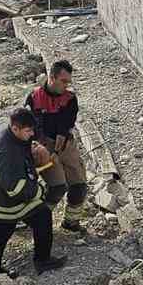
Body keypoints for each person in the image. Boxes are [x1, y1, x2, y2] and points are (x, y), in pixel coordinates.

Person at [0, 107, 66, 275]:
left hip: (3, 196)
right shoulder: (9, 154)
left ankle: (43, 260)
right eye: (28, 131)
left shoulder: (4, 127)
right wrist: (38, 191)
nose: (32, 135)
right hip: (1, 204)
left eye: (32, 129)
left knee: (42, 216)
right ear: (15, 128)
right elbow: (15, 190)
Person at [28, 60, 90, 232]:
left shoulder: (69, 99)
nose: (66, 85)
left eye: (68, 81)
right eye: (63, 81)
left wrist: (56, 150)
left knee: (79, 185)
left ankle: (71, 222)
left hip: (65, 145)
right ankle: (39, 221)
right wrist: (45, 150)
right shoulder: (34, 97)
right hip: (43, 145)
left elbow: (65, 126)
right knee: (57, 187)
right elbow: (33, 127)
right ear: (51, 77)